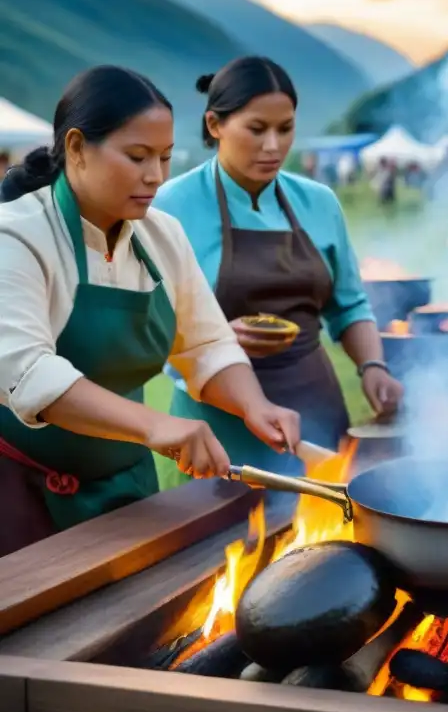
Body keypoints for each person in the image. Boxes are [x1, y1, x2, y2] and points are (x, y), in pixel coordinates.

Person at [0, 66, 299, 558]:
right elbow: (30, 375)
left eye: (163, 157)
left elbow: (206, 345)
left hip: (125, 492)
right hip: (20, 496)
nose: (156, 177)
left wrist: (254, 404)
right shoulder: (19, 235)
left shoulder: (162, 235)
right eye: (137, 157)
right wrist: (156, 425)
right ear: (75, 147)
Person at [153, 57, 402, 492]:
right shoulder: (171, 206)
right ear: (215, 125)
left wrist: (372, 366)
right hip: (214, 426)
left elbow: (349, 304)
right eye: (256, 129)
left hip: (314, 410)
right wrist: (215, 339)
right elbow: (152, 324)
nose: (273, 145)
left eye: (285, 129)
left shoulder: (319, 202)